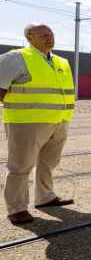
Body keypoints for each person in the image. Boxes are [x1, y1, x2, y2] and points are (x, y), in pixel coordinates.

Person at [0, 23, 75, 225]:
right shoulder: (15, 58)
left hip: (59, 122)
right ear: (29, 37)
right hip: (26, 122)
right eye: (43, 34)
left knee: (48, 163)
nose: (49, 37)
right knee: (21, 166)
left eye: (51, 33)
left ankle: (45, 197)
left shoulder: (62, 61)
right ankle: (16, 208)